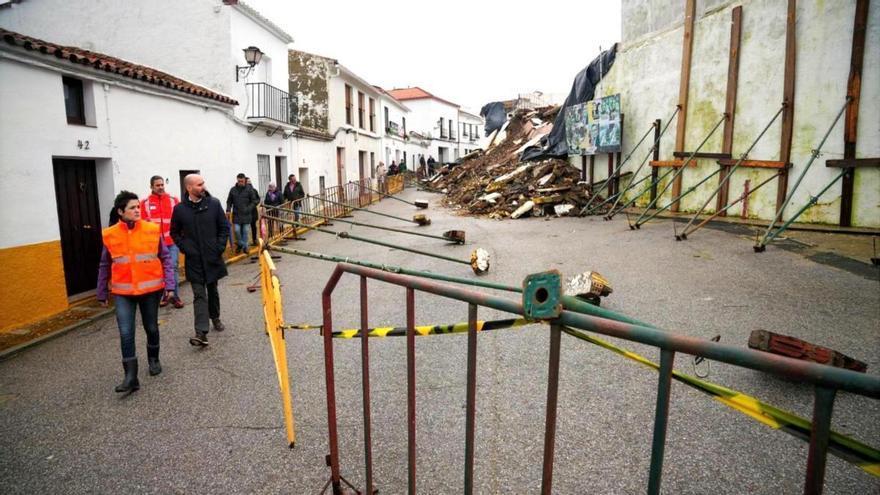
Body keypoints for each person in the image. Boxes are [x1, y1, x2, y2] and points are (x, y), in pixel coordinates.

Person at [97, 191, 176, 393]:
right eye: (132, 208)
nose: (137, 210)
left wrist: (170, 285)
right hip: (123, 293)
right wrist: (101, 293)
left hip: (150, 290)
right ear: (120, 211)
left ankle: (154, 359)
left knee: (151, 327)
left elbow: (166, 258)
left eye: (138, 207)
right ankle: (131, 377)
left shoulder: (151, 230)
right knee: (126, 332)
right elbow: (105, 264)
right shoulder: (110, 234)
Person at [171, 174, 229, 346]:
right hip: (194, 260)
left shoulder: (214, 204)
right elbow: (174, 232)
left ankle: (215, 317)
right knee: (199, 295)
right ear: (189, 188)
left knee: (212, 291)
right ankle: (201, 332)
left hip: (212, 257)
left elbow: (224, 227)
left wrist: (219, 247)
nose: (203, 186)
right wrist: (185, 248)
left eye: (203, 183)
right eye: (199, 184)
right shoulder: (180, 209)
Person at [140, 175, 183, 308]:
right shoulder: (144, 203)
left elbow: (180, 219)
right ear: (151, 186)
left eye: (162, 184)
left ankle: (175, 296)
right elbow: (142, 224)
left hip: (171, 241)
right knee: (159, 270)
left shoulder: (173, 200)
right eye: (157, 185)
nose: (160, 187)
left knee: (173, 267)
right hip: (154, 244)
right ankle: (165, 294)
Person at [226, 173, 259, 254]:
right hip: (236, 214)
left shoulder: (249, 189)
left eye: (242, 181)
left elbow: (254, 201)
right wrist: (228, 210)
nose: (240, 183)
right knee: (237, 231)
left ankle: (245, 247)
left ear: (245, 180)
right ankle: (242, 244)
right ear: (237, 180)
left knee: (245, 231)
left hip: (246, 215)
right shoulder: (233, 190)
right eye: (239, 181)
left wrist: (248, 209)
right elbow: (229, 201)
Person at [246, 177, 258, 245]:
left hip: (253, 211)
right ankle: (247, 242)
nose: (249, 183)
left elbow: (258, 199)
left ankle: (254, 240)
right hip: (246, 212)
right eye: (248, 182)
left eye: (250, 182)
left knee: (253, 227)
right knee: (246, 228)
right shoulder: (243, 192)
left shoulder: (254, 190)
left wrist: (254, 204)